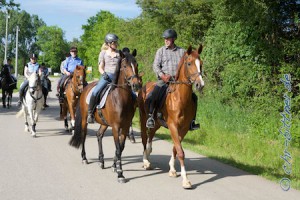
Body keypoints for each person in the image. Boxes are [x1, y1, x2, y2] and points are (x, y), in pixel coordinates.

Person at [146, 29, 200, 130]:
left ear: (173, 39)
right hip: (164, 79)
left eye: (168, 39)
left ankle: (192, 121)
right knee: (153, 95)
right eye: (165, 38)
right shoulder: (161, 51)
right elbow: (156, 66)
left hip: (178, 81)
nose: (166, 40)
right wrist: (162, 75)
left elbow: (187, 66)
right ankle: (151, 117)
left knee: (194, 97)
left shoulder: (182, 52)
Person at [87, 33, 120, 123]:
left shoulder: (119, 53)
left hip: (117, 77)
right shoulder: (103, 53)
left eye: (116, 42)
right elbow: (100, 67)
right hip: (107, 76)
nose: (116, 44)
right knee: (96, 91)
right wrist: (104, 74)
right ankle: (90, 113)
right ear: (108, 43)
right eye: (114, 43)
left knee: (132, 93)